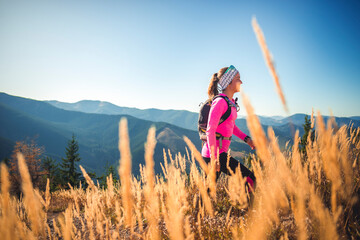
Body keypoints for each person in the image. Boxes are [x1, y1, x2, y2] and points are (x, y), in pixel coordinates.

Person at [201, 65, 256, 190]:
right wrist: (215, 159)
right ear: (229, 82)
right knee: (250, 179)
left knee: (207, 193)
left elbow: (232, 126)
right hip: (214, 155)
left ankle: (200, 209)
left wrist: (247, 139)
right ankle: (249, 210)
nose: (241, 82)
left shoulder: (229, 102)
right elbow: (210, 130)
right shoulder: (220, 102)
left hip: (219, 153)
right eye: (238, 78)